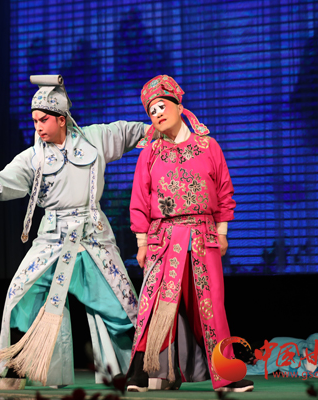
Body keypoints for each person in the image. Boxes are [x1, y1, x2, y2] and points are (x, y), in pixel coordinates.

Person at [0, 75, 147, 390]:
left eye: (43, 120)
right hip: (52, 236)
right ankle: (15, 370)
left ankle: (139, 368)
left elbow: (130, 131)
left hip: (91, 234)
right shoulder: (33, 157)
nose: (38, 127)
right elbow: (3, 182)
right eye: (34, 121)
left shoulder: (94, 139)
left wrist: (159, 130)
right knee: (21, 293)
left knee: (121, 302)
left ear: (61, 119)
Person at [126, 75, 253, 392]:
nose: (157, 113)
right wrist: (141, 242)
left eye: (162, 106)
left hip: (202, 236)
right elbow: (139, 199)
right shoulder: (150, 152)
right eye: (151, 110)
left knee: (212, 307)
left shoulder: (209, 147)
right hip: (163, 238)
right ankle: (144, 371)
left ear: (179, 106)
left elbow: (224, 190)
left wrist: (222, 231)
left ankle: (225, 375)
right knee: (154, 305)